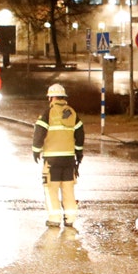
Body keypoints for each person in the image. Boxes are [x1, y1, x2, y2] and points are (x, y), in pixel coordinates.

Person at [34, 83, 86, 227]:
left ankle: (54, 219)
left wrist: (36, 150)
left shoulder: (47, 113)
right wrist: (78, 153)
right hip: (69, 160)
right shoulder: (72, 113)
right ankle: (70, 219)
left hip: (52, 160)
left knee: (51, 189)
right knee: (68, 189)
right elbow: (80, 134)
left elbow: (39, 133)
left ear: (51, 98)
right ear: (63, 97)